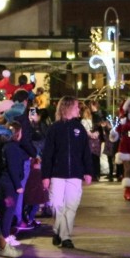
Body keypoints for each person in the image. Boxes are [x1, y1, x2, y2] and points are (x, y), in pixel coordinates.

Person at [41, 96, 92, 249]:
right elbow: (48, 153)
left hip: (75, 174)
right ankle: (61, 232)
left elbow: (85, 152)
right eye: (77, 107)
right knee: (57, 205)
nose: (79, 109)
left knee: (71, 206)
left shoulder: (80, 128)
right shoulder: (54, 128)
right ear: (68, 107)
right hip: (57, 174)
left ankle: (64, 236)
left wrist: (88, 171)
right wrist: (45, 175)